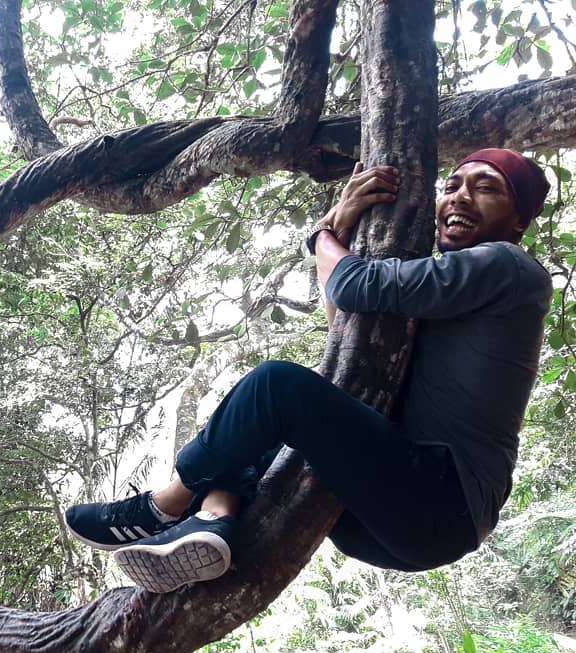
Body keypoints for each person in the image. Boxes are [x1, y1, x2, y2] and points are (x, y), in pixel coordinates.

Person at [65, 149, 553, 593]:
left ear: (518, 221)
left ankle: (161, 507)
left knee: (276, 386)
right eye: (452, 186)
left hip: (441, 499)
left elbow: (355, 284)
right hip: (390, 518)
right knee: (252, 431)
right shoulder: (457, 290)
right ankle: (213, 521)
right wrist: (337, 231)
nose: (459, 197)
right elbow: (347, 327)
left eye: (486, 187)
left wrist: (324, 232)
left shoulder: (508, 267)